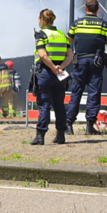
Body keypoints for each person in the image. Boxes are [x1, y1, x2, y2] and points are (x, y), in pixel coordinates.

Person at [65, 0, 107, 135]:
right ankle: (89, 126)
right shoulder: (103, 25)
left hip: (80, 63)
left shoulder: (77, 24)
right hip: (96, 64)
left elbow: (68, 41)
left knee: (76, 93)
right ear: (98, 9)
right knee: (94, 94)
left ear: (85, 8)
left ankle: (68, 125)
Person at [30, 9, 70, 145]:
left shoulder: (41, 34)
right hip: (60, 74)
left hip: (46, 72)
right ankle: (60, 135)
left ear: (40, 19)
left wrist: (53, 68)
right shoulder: (62, 35)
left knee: (44, 104)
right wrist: (61, 67)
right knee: (59, 105)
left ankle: (40, 136)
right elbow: (70, 55)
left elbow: (42, 55)